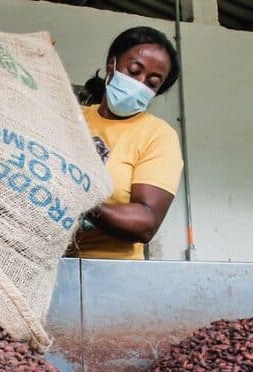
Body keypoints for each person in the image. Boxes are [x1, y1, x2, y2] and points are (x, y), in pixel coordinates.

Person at [68, 26, 184, 260]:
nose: (139, 84)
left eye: (151, 83)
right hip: (44, 267)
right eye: (133, 71)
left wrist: (82, 203)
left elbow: (146, 222)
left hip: (112, 275)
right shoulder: (70, 116)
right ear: (112, 64)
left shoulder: (157, 136)